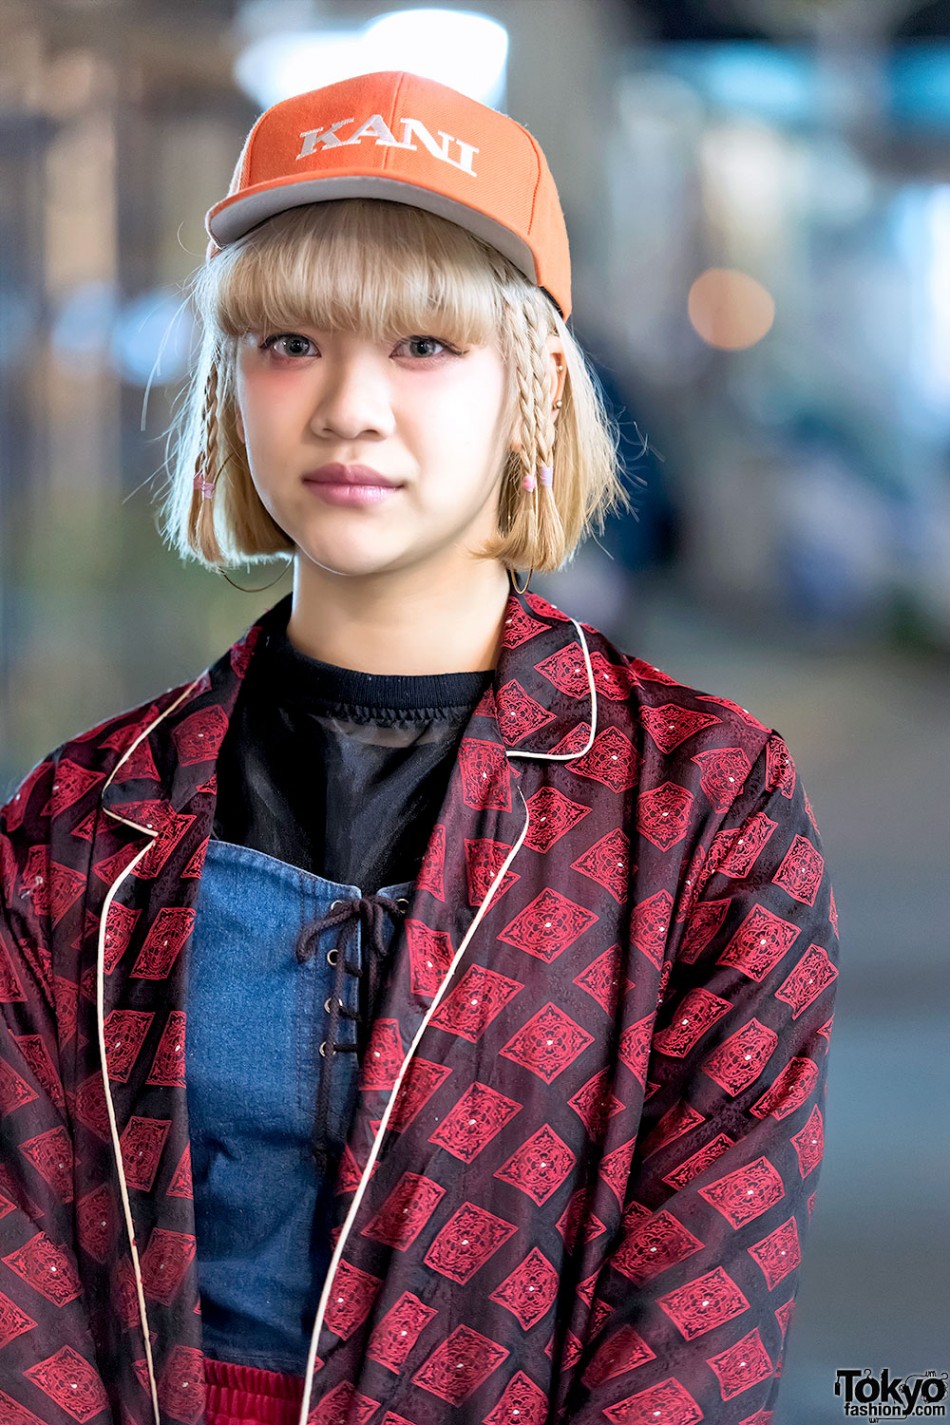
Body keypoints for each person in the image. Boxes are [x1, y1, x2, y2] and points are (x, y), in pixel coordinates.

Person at [0, 71, 838, 1425]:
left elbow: (701, 1312)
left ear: (533, 391)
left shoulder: (705, 808)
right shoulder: (82, 821)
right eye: (288, 343)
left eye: (423, 348)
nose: (345, 406)